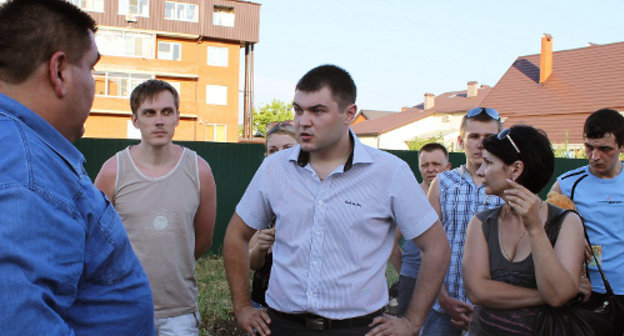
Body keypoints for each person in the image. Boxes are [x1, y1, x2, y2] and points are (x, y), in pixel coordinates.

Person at [223, 64, 451, 336]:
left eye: (317, 111)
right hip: (281, 326)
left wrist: (413, 322)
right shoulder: (275, 168)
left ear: (349, 114)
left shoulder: (389, 172)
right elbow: (236, 235)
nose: (303, 121)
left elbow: (436, 248)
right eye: (298, 110)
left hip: (357, 328)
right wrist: (243, 307)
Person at [0, 0, 155, 335]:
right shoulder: (27, 172)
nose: (93, 82)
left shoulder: (21, 151)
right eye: (92, 68)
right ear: (59, 72)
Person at [94, 79, 217, 335]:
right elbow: (97, 240)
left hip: (179, 312)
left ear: (177, 118)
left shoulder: (199, 170)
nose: (159, 120)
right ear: (135, 120)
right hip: (125, 307)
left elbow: (203, 240)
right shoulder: (112, 171)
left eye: (166, 112)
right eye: (149, 113)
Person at [463, 125, 585, 335]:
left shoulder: (567, 222)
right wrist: (547, 294)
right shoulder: (482, 223)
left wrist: (535, 228)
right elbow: (478, 291)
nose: (480, 171)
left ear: (516, 169)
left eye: (489, 162)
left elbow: (557, 296)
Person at [422, 107, 505, 335]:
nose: (481, 144)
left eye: (489, 138)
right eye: (474, 137)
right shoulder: (442, 183)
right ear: (461, 141)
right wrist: (443, 298)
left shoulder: (508, 186)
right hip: (442, 306)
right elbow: (428, 247)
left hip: (492, 311)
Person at [550, 108, 624, 306]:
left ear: (621, 146)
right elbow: (543, 226)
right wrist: (569, 236)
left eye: (605, 149)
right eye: (589, 147)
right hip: (588, 290)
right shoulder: (567, 183)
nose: (594, 156)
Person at [390, 142, 451, 316]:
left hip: (447, 278)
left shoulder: (456, 197)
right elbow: (392, 240)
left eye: (436, 164)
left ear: (448, 166)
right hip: (413, 277)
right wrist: (404, 271)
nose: (430, 169)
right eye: (425, 165)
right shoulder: (410, 195)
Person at [249, 120, 298, 308]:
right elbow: (253, 263)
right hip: (262, 304)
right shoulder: (263, 196)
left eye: (288, 148)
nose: (280, 156)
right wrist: (260, 247)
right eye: (273, 150)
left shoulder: (318, 195)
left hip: (301, 312)